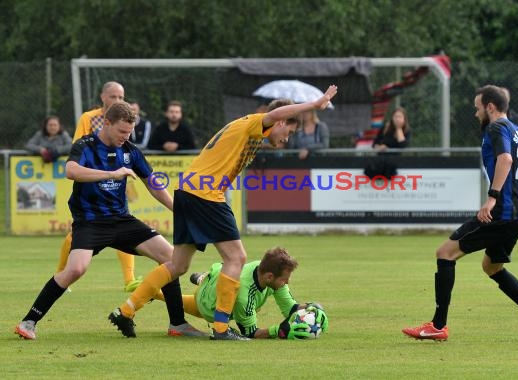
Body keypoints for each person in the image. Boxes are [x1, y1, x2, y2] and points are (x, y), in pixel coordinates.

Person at [109, 85, 338, 341]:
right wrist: (315, 105)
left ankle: (126, 311)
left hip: (188, 191)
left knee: (177, 264)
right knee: (236, 258)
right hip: (206, 194)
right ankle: (220, 328)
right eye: (290, 131)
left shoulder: (247, 130)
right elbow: (274, 115)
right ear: (281, 120)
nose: (288, 138)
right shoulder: (255, 123)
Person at [15, 102, 206, 340]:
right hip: (90, 222)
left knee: (171, 259)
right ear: (106, 123)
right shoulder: (85, 145)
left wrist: (180, 210)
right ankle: (29, 321)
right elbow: (71, 171)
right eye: (121, 131)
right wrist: (113, 174)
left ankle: (177, 323)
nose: (125, 137)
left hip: (121, 220)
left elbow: (153, 185)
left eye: (129, 132)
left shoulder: (130, 150)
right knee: (75, 269)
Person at [402, 85, 518, 341]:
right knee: (492, 267)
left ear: (490, 107)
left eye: (477, 108)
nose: (476, 113)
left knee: (445, 253)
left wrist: (491, 198)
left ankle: (438, 326)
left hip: (503, 211)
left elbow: (505, 159)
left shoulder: (497, 128)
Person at [55, 81, 142, 293]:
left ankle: (129, 280)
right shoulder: (89, 118)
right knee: (79, 233)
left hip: (117, 180)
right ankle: (61, 274)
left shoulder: (126, 119)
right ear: (103, 97)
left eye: (121, 97)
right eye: (113, 96)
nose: (118, 100)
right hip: (92, 180)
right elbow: (79, 148)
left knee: (124, 222)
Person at [147, 247, 329, 339]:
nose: (287, 282)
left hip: (221, 278)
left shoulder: (266, 269)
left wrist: (310, 307)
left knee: (222, 272)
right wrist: (280, 331)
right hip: (209, 307)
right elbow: (250, 333)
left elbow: (290, 308)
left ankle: (156, 291)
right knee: (213, 291)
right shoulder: (244, 297)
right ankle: (205, 279)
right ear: (269, 277)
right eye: (284, 279)